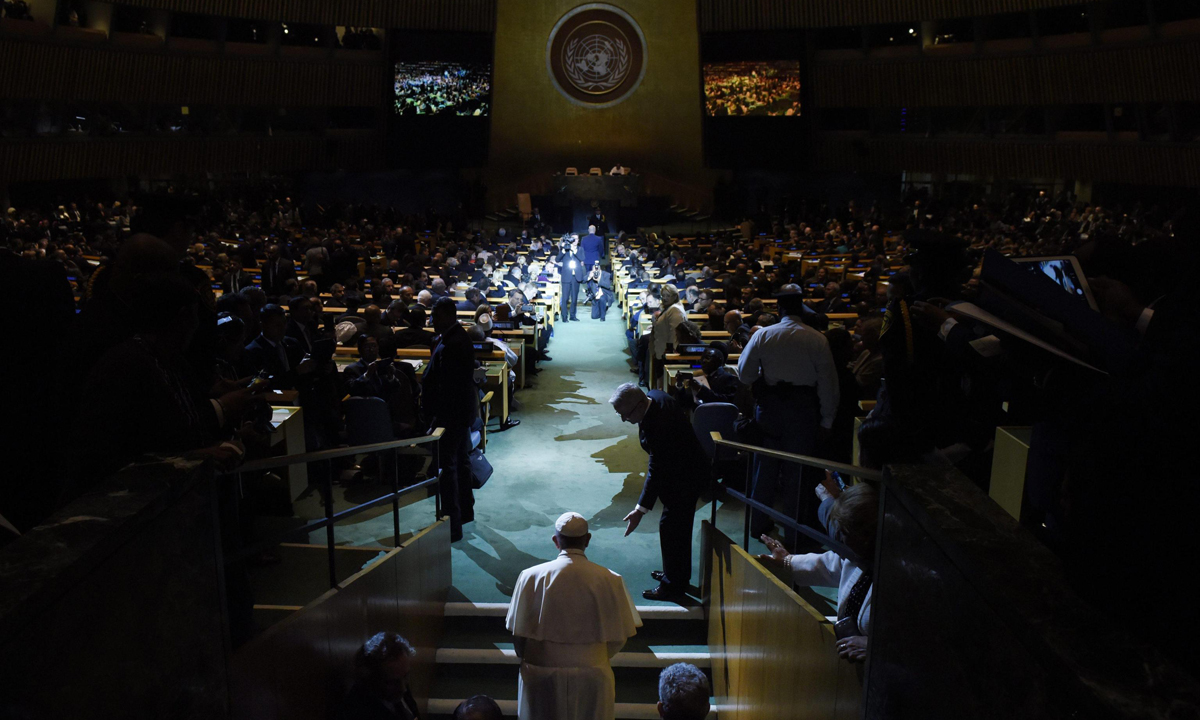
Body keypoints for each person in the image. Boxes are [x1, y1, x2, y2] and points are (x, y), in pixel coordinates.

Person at [506, 512, 642, 720]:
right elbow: (618, 638)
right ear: (587, 540)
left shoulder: (530, 576)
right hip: (593, 673)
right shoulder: (610, 579)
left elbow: (518, 635)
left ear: (555, 541)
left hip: (540, 672)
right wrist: (591, 656)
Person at [737, 284, 839, 545]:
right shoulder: (817, 338)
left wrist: (765, 376)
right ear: (801, 309)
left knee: (764, 469)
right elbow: (828, 384)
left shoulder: (764, 335)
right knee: (797, 475)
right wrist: (827, 420)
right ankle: (794, 532)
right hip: (802, 411)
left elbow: (745, 374)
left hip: (770, 408)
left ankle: (757, 525)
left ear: (779, 309)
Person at [756, 482, 878, 664]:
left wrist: (875, 648)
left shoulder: (903, 578)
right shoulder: (861, 553)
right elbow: (833, 565)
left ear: (866, 536)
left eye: (845, 532)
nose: (841, 539)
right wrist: (787, 560)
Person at [610, 383, 707, 600]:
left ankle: (673, 586)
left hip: (685, 478)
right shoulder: (654, 397)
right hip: (679, 471)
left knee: (674, 529)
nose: (624, 420)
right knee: (673, 528)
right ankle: (674, 574)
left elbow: (655, 471)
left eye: (625, 415)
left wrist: (640, 510)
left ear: (640, 404)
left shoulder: (659, 426)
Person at [423, 298, 481, 542]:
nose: (432, 321)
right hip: (458, 414)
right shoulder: (453, 336)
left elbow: (449, 386)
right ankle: (465, 513)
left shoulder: (454, 341)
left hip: (450, 415)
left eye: (435, 317)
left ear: (447, 316)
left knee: (448, 469)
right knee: (461, 462)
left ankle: (452, 525)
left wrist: (436, 418)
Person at [336, 632, 421, 720]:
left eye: (406, 676)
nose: (403, 688)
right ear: (370, 677)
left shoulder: (397, 680)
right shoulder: (359, 711)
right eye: (391, 682)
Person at [672, 346, 739, 409]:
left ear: (718, 361)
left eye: (708, 358)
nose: (703, 361)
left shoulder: (729, 378)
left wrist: (700, 389)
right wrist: (680, 384)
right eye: (702, 358)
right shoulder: (700, 378)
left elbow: (725, 402)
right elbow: (684, 404)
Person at [559, 237, 585, 322]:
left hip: (575, 276)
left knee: (574, 298)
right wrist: (563, 250)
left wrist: (574, 250)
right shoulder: (565, 249)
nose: (575, 241)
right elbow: (557, 259)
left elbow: (582, 258)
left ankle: (573, 316)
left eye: (577, 239)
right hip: (566, 276)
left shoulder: (580, 249)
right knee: (565, 298)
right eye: (573, 239)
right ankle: (564, 316)